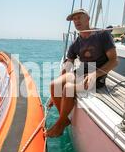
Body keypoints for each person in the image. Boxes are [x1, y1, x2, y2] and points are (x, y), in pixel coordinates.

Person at [46, 8, 118, 138]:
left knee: (68, 88)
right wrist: (54, 93)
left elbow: (114, 61)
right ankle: (65, 119)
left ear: (88, 18)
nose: (76, 21)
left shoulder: (102, 34)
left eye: (79, 17)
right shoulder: (76, 42)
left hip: (97, 76)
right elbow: (68, 64)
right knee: (54, 85)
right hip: (80, 73)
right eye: (74, 19)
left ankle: (60, 124)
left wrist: (94, 74)